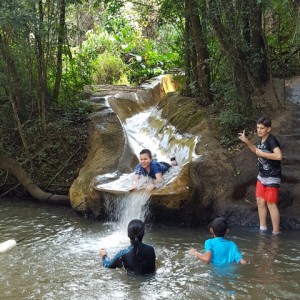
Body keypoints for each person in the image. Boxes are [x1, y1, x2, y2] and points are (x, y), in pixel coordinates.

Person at [238, 117, 282, 234]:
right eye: (257, 128)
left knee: (271, 203)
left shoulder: (272, 140)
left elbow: (278, 156)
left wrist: (264, 154)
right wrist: (247, 141)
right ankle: (263, 229)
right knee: (259, 201)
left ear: (269, 129)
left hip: (272, 176)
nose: (259, 130)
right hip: (261, 176)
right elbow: (256, 151)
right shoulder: (260, 140)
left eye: (262, 128)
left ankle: (276, 232)